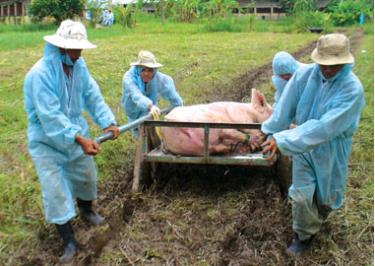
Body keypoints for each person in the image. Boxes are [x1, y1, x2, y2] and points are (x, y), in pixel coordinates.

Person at [24, 20, 120, 263]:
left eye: (81, 49)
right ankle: (69, 240)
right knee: (55, 191)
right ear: (61, 47)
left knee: (86, 177)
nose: (79, 54)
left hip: (76, 134)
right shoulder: (41, 74)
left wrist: (108, 121)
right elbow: (50, 117)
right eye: (75, 50)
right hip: (47, 141)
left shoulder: (79, 66)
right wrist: (80, 139)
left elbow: (92, 95)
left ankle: (87, 210)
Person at [261, 33, 365, 256]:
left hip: (332, 148)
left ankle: (321, 213)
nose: (327, 70)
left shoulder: (351, 89)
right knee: (301, 195)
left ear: (344, 62)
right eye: (323, 64)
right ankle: (304, 235)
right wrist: (270, 131)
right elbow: (284, 109)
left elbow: (325, 128)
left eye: (333, 65)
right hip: (302, 145)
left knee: (326, 197)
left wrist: (283, 140)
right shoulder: (305, 76)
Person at [122, 50, 183, 138]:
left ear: (154, 70)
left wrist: (178, 105)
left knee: (153, 135)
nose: (147, 73)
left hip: (150, 112)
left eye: (150, 70)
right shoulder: (129, 79)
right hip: (134, 112)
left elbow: (171, 92)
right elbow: (136, 95)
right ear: (138, 68)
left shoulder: (159, 78)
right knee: (141, 136)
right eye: (143, 70)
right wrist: (150, 106)